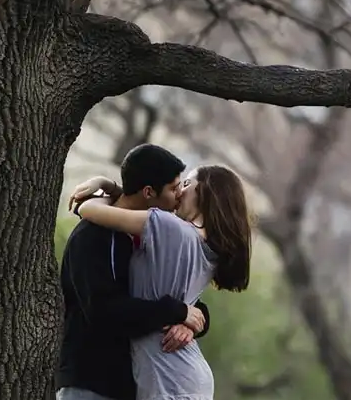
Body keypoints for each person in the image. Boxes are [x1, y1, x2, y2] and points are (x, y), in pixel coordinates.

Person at [70, 163, 252, 400]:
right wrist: (184, 316)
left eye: (186, 184)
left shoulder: (166, 227)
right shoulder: (209, 248)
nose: (179, 192)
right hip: (183, 376)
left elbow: (89, 209)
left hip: (169, 378)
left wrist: (106, 185)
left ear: (204, 192)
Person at [57, 144, 211, 400]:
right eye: (173, 189)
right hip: (92, 383)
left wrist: (193, 320)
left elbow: (173, 293)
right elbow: (103, 310)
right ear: (149, 192)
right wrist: (177, 311)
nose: (179, 196)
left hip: (133, 385)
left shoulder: (153, 238)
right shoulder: (94, 236)